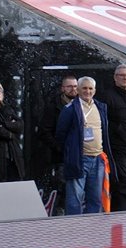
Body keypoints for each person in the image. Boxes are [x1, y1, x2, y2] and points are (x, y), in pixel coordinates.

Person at [55, 76, 116, 215]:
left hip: (98, 159)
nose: (87, 91)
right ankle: (75, 227)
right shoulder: (70, 109)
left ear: (95, 90)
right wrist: (71, 153)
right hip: (79, 159)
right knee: (74, 199)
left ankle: (93, 227)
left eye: (90, 88)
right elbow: (60, 135)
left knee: (95, 199)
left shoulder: (101, 107)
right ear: (78, 90)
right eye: (84, 88)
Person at [96, 64, 126, 211]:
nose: (125, 78)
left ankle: (117, 214)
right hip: (116, 148)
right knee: (123, 183)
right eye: (122, 75)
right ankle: (123, 216)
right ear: (115, 77)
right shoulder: (107, 96)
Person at [36, 75, 78, 215]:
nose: (73, 89)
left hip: (80, 155)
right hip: (61, 157)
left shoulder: (82, 105)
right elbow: (44, 131)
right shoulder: (53, 107)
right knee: (63, 188)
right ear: (62, 88)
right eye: (69, 86)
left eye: (75, 86)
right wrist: (58, 147)